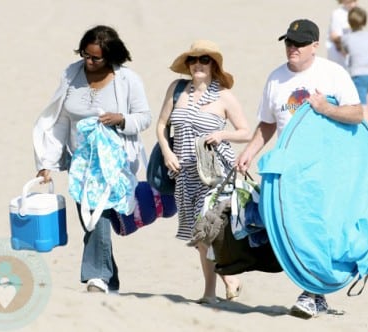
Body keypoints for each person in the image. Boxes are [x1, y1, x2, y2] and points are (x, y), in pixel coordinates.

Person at [236, 19, 363, 318]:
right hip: (287, 169)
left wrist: (326, 109)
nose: (292, 48)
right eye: (289, 42)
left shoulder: (333, 74)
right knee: (291, 229)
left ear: (315, 46)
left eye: (300, 43)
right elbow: (268, 123)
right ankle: (316, 293)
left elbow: (357, 114)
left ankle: (310, 293)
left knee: (315, 229)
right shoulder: (276, 79)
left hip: (325, 168)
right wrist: (249, 152)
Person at [33, 25, 151, 294]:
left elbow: (144, 117)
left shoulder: (128, 80)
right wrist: (47, 163)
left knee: (98, 216)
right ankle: (110, 282)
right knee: (90, 219)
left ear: (110, 57)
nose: (88, 61)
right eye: (85, 54)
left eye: (95, 57)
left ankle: (96, 277)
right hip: (80, 162)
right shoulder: (71, 74)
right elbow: (60, 119)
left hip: (114, 162)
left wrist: (121, 119)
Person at [156, 40, 250, 304]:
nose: (198, 64)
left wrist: (222, 133)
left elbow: (245, 132)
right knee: (199, 238)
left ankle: (224, 283)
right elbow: (161, 125)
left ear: (213, 65)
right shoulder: (177, 91)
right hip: (184, 174)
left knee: (206, 229)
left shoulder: (224, 96)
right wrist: (167, 151)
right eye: (193, 60)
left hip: (216, 174)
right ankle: (214, 290)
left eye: (204, 60)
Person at [342, 6, 368, 128]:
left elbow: (344, 50)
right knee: (364, 98)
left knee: (361, 103)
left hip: (359, 73)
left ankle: (367, 126)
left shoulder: (347, 38)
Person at [326, 0, 358, 68]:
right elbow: (334, 36)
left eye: (354, 1)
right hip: (338, 53)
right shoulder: (337, 14)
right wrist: (344, 52)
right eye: (349, 2)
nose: (352, 5)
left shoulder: (356, 13)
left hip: (350, 52)